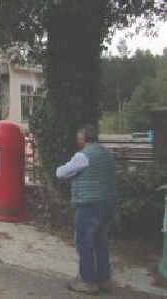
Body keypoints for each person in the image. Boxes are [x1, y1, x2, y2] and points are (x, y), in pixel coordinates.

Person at [56, 124, 117, 295]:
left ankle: (88, 281)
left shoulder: (83, 156)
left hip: (90, 205)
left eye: (78, 137)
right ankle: (104, 279)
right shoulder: (106, 153)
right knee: (101, 242)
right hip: (108, 203)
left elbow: (60, 173)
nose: (77, 140)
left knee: (84, 243)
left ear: (83, 138)